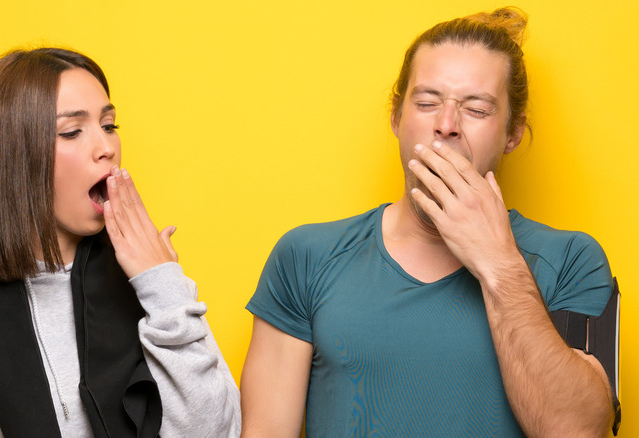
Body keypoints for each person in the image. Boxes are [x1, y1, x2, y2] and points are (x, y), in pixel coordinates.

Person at [241, 7, 618, 437]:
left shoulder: (572, 260)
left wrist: (499, 264)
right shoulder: (305, 257)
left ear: (512, 133)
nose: (445, 125)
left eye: (476, 109)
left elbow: (577, 429)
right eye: (426, 103)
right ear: (396, 118)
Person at [0, 47, 240, 437]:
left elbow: (220, 430)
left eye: (108, 125)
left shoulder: (154, 286)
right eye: (72, 131)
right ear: (11, 156)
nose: (106, 148)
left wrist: (164, 286)